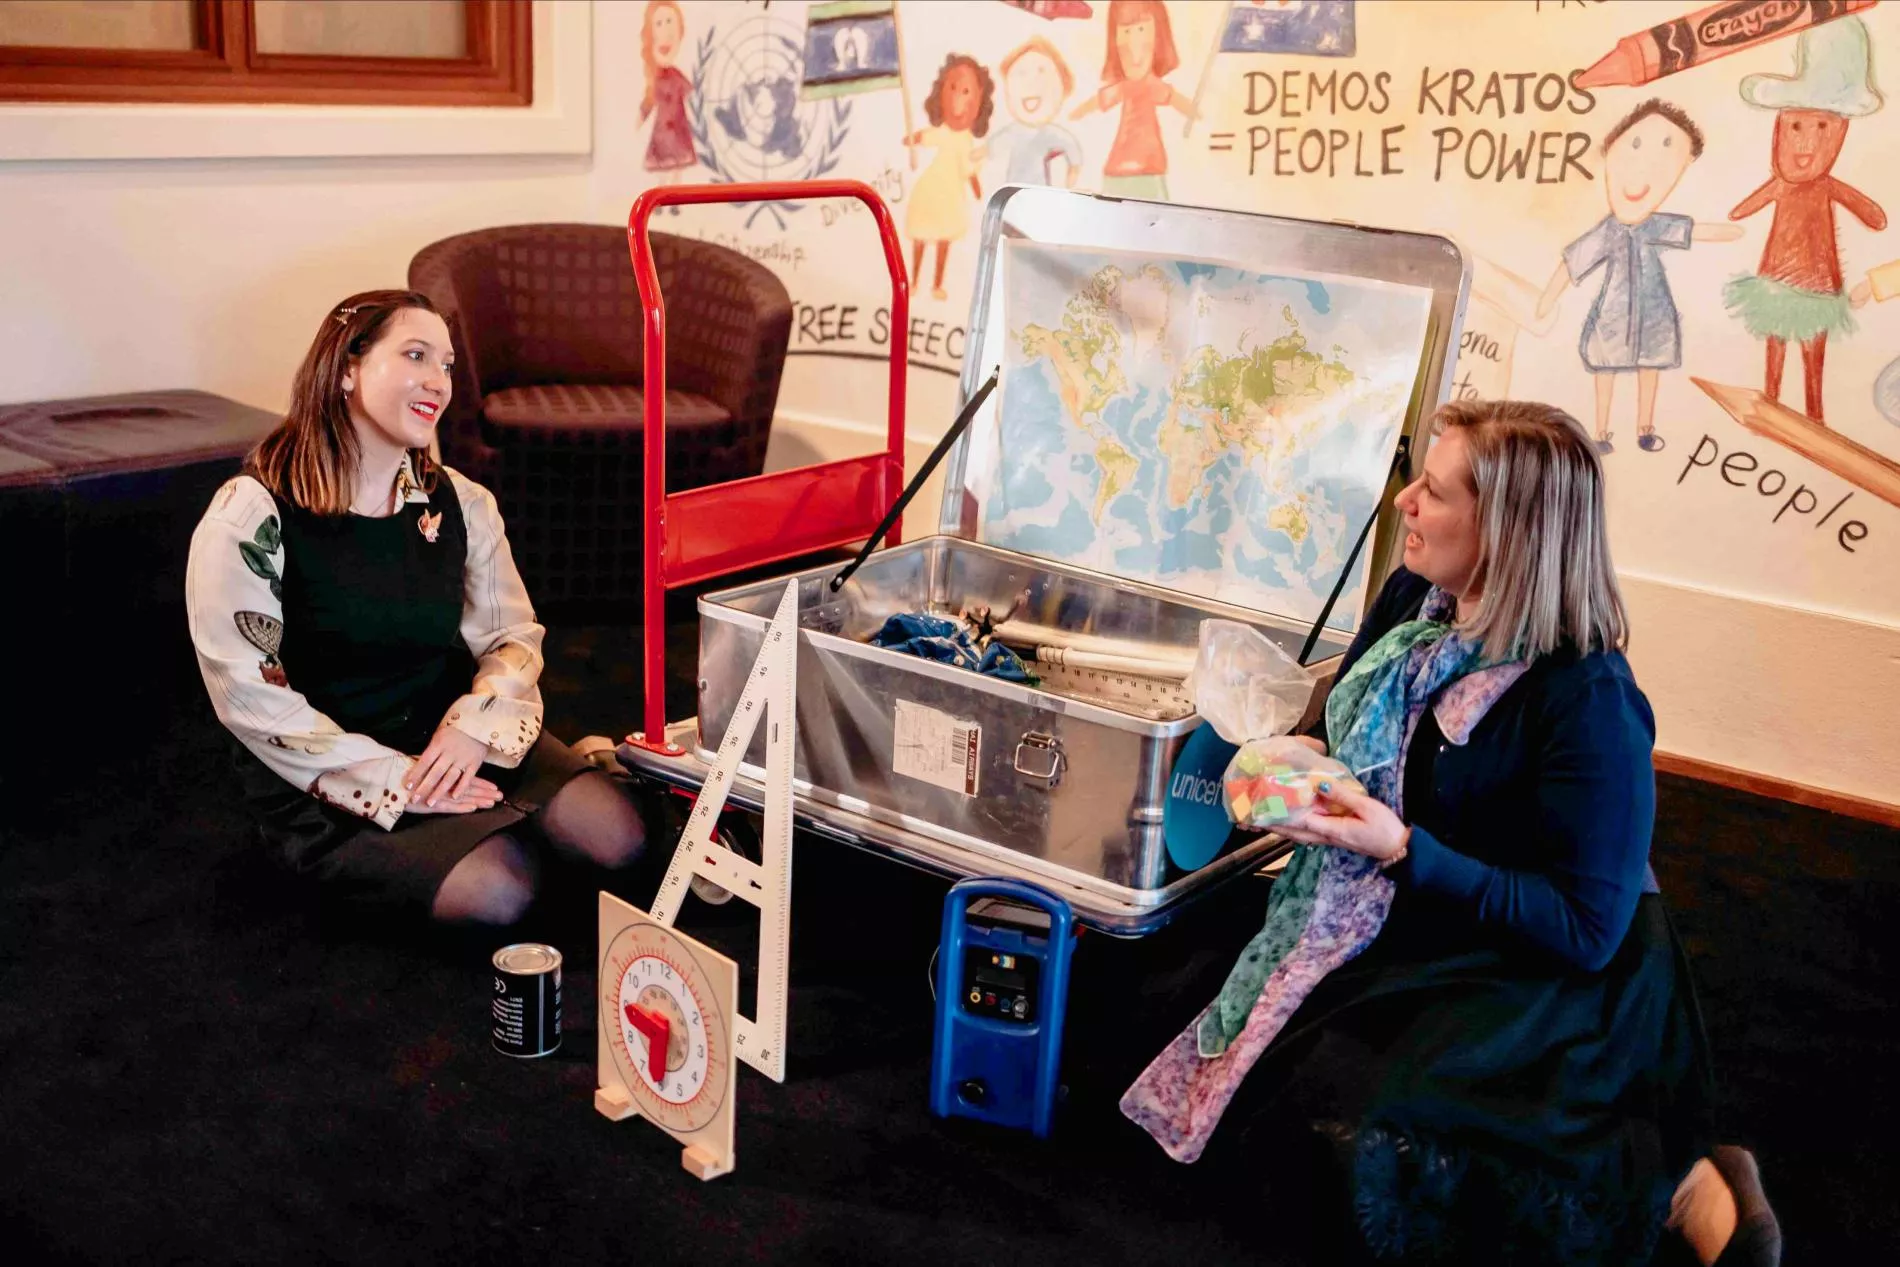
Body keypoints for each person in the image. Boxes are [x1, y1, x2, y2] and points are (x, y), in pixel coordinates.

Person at [1114, 401, 1780, 1265]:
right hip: (1406, 913)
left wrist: (1398, 847)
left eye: (1431, 492)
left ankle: (1682, 1177)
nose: (1405, 505)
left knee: (1366, 1140)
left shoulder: (1588, 698)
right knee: (1175, 1019)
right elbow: (1357, 739)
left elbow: (1584, 929)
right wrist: (1296, 765)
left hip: (1542, 966)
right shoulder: (1414, 601)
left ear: (1504, 532)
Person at [187, 290, 650, 926]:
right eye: (415, 355)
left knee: (621, 842)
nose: (439, 381)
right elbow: (247, 696)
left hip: (450, 735)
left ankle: (511, 809)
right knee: (503, 891)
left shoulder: (462, 501)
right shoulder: (250, 513)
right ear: (346, 368)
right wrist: (396, 781)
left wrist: (471, 725)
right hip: (330, 770)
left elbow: (512, 636)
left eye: (449, 364)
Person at [1536, 100, 1742, 455]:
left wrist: (1731, 231)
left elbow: (1692, 231)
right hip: (1613, 319)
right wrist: (1547, 298)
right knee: (1605, 370)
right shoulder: (1607, 231)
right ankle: (1600, 432)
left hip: (1654, 315)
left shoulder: (1655, 225)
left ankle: (1645, 429)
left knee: (1651, 369)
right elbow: (1572, 263)